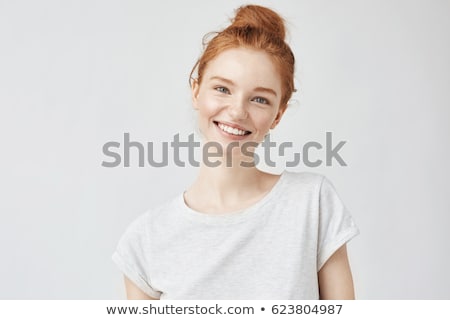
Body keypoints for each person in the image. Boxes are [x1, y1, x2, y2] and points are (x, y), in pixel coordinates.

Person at [112, 4, 359, 300]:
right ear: (196, 91)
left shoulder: (312, 203)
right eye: (223, 89)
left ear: (277, 116)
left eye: (259, 99)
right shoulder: (145, 239)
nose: (237, 111)